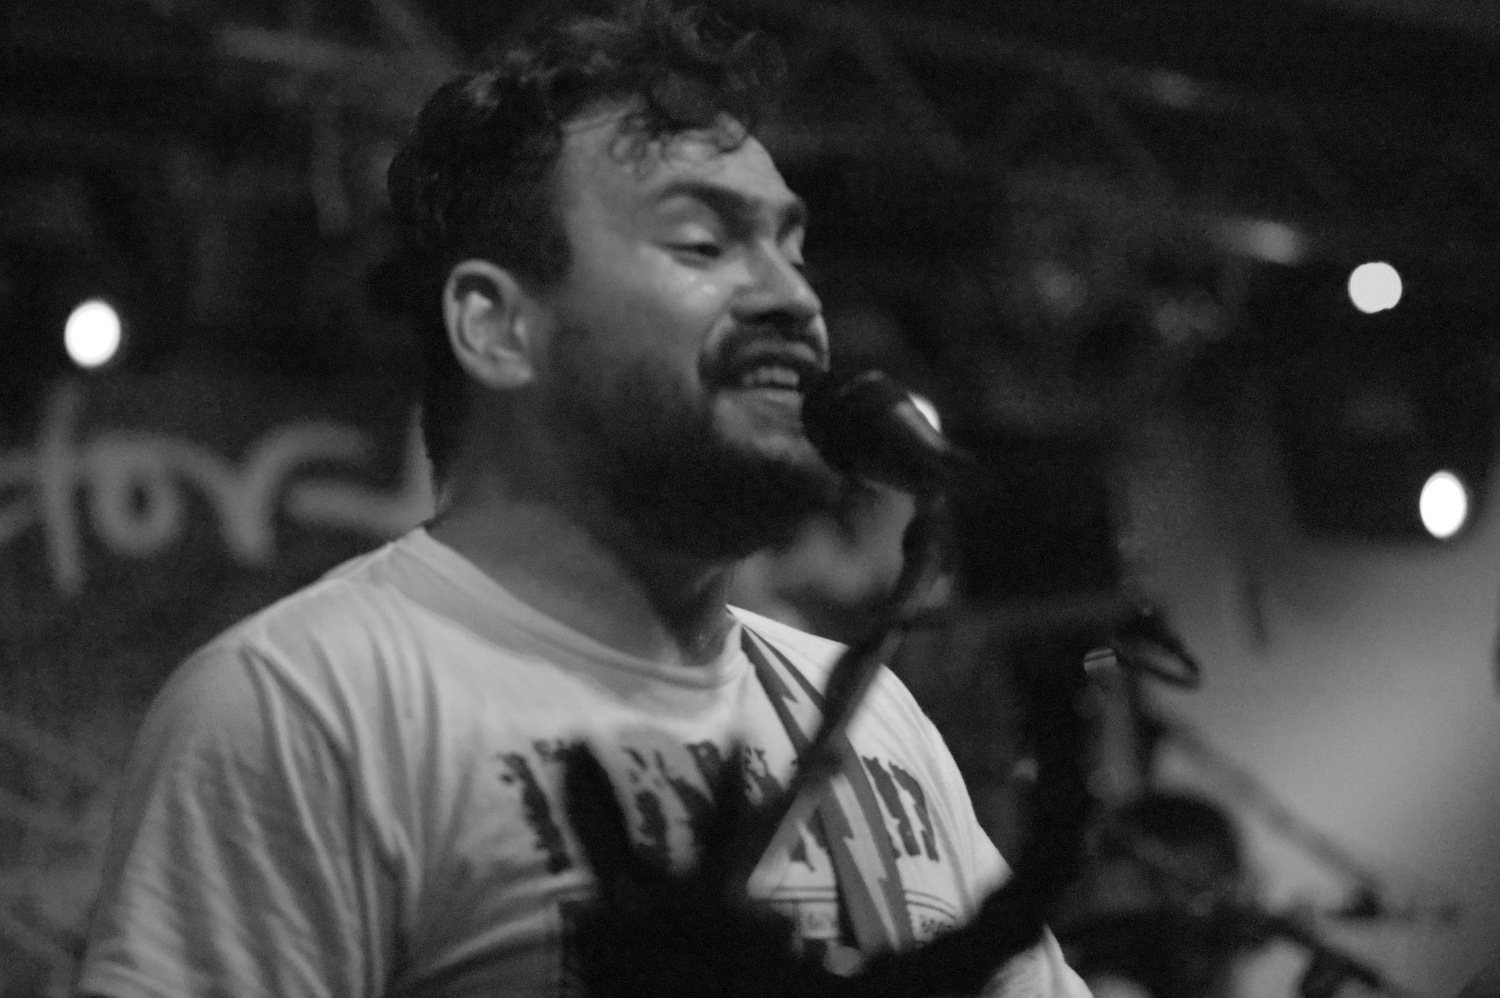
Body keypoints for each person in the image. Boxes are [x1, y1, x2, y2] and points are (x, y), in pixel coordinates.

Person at [76, 2, 1091, 995]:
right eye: (702, 243)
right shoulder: (306, 703)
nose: (795, 298)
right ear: (497, 327)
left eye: (793, 249)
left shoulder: (869, 712)